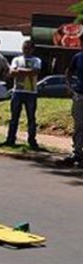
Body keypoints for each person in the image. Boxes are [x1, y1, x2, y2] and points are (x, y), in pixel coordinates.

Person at [4, 40, 42, 149]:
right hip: (18, 91)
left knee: (31, 118)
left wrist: (20, 71)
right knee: (14, 117)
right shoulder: (17, 59)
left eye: (28, 48)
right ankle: (10, 139)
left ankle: (32, 140)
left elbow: (35, 72)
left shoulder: (36, 60)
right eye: (24, 48)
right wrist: (27, 71)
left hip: (31, 92)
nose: (26, 50)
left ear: (32, 49)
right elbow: (11, 73)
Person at [64, 32, 83, 166]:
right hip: (79, 95)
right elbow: (69, 72)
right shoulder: (78, 57)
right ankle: (77, 152)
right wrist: (70, 88)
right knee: (79, 125)